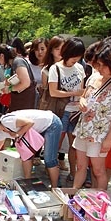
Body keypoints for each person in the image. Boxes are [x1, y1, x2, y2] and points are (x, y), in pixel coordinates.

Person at [72, 42, 111, 190]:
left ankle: (100, 200)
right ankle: (73, 194)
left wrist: (109, 139)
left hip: (100, 133)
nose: (100, 68)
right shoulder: (94, 78)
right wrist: (82, 102)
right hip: (84, 128)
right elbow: (83, 96)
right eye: (99, 64)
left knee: (98, 170)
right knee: (80, 166)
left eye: (104, 65)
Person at [0, 109, 63, 188]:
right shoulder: (0, 131)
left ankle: (55, 188)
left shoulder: (7, 121)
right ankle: (28, 183)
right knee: (26, 156)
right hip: (39, 128)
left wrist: (17, 134)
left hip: (51, 124)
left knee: (49, 159)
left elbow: (30, 122)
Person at [48, 37, 86, 183]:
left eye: (78, 58)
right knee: (56, 144)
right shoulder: (56, 68)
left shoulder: (80, 68)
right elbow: (53, 92)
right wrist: (75, 93)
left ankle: (73, 172)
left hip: (77, 111)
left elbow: (82, 90)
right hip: (62, 111)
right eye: (73, 58)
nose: (75, 61)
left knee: (74, 145)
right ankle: (53, 173)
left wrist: (81, 98)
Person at [40, 36, 67, 171]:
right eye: (57, 49)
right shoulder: (47, 69)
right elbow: (47, 93)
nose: (60, 52)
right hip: (52, 106)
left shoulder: (73, 67)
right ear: (51, 50)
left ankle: (58, 158)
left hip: (67, 106)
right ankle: (49, 160)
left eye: (62, 49)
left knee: (63, 135)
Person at [1, 41, 38, 112]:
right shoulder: (14, 63)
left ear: (2, 56)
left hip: (26, 102)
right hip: (21, 101)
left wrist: (9, 89)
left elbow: (26, 83)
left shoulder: (18, 62)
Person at [28, 38, 48, 107]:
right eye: (36, 49)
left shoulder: (52, 66)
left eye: (42, 49)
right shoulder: (28, 65)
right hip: (32, 99)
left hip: (47, 101)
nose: (39, 52)